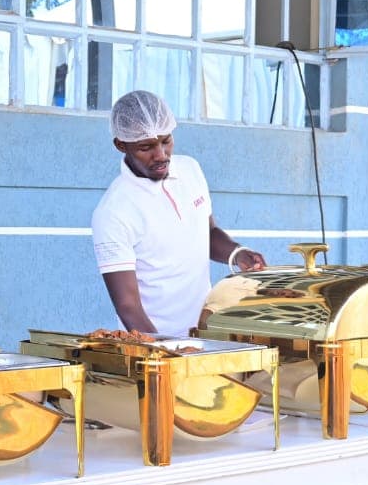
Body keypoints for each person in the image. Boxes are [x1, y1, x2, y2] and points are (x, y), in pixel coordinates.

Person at [91, 90, 266, 337]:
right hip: (159, 349)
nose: (161, 155)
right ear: (121, 145)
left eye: (166, 141)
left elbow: (207, 233)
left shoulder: (190, 170)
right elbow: (127, 307)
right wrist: (167, 352)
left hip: (207, 333)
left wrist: (237, 254)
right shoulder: (114, 212)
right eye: (146, 147)